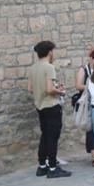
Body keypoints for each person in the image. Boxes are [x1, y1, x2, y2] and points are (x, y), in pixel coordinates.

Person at [29, 40, 71, 178]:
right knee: (53, 137)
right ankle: (53, 168)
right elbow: (49, 89)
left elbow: (30, 88)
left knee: (45, 135)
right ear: (49, 52)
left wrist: (52, 89)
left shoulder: (33, 68)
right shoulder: (49, 67)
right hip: (51, 106)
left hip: (40, 106)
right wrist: (60, 91)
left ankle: (42, 165)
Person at [75, 47, 94, 167]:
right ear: (90, 58)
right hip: (88, 103)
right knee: (91, 130)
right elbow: (78, 85)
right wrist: (91, 86)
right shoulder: (84, 69)